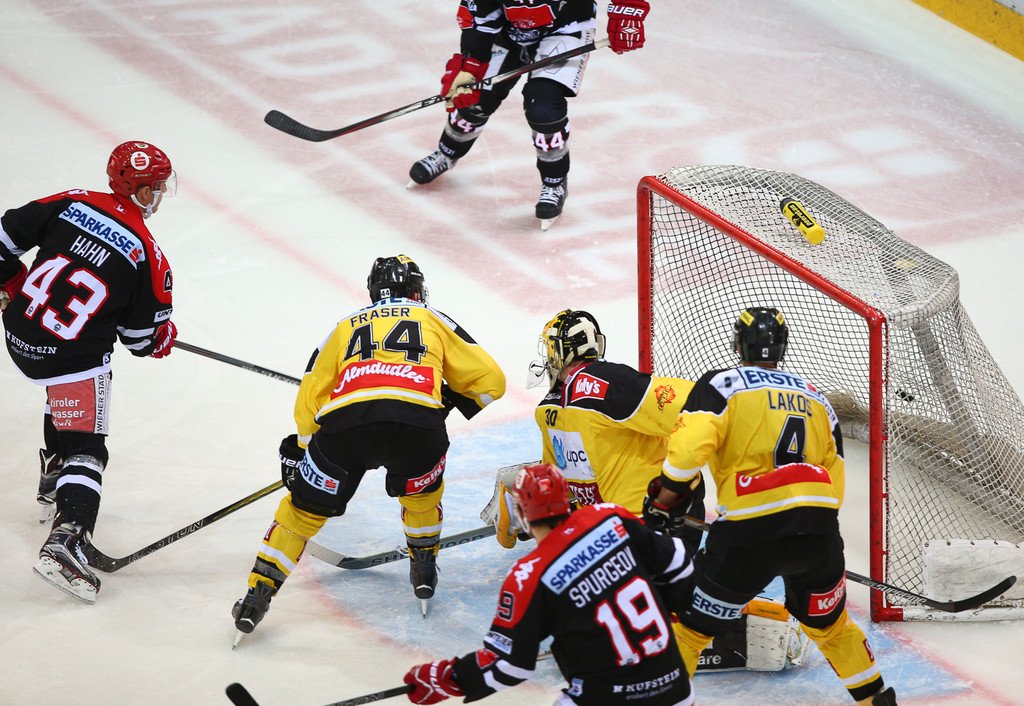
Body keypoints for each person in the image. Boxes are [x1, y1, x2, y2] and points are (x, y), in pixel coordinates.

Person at [480, 308, 807, 673]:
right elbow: (564, 482)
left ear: (561, 350)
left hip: (659, 522)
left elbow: (692, 404)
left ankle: (744, 628)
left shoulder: (600, 386)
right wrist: (525, 503)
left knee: (614, 637)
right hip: (614, 532)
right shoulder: (553, 408)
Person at [231, 255, 506, 642]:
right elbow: (492, 382)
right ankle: (423, 566)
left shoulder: (345, 325)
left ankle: (257, 596)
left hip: (346, 429)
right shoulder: (432, 317)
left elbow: (310, 398)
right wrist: (441, 403)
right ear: (415, 290)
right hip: (416, 428)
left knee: (301, 514)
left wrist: (305, 449)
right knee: (422, 499)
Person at [644, 307, 898, 705]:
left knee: (689, 630)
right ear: (782, 347)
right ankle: (876, 700)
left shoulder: (722, 384)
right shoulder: (817, 399)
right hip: (818, 532)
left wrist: (666, 498)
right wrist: (804, 523)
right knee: (832, 628)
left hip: (750, 532)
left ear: (738, 345)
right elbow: (835, 482)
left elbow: (688, 451)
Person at [0, 141, 178, 603]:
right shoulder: (148, 255)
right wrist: (160, 337)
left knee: (59, 383)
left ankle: (52, 474)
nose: (160, 195)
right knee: (88, 447)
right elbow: (140, 341)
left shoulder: (71, 202)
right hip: (70, 360)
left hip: (20, 335)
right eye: (157, 187)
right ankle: (67, 541)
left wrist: (14, 283)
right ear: (142, 192)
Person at [403, 463, 695, 706]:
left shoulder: (529, 576)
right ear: (566, 499)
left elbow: (508, 664)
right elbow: (679, 562)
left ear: (521, 512)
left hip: (602, 697)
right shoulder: (610, 517)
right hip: (675, 691)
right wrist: (670, 604)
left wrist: (448, 677)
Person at [407, 0, 651, 230]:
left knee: (543, 108)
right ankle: (447, 151)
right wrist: (470, 66)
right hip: (507, 29)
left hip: (566, 26)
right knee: (476, 98)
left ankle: (554, 182)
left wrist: (628, 9)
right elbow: (479, 19)